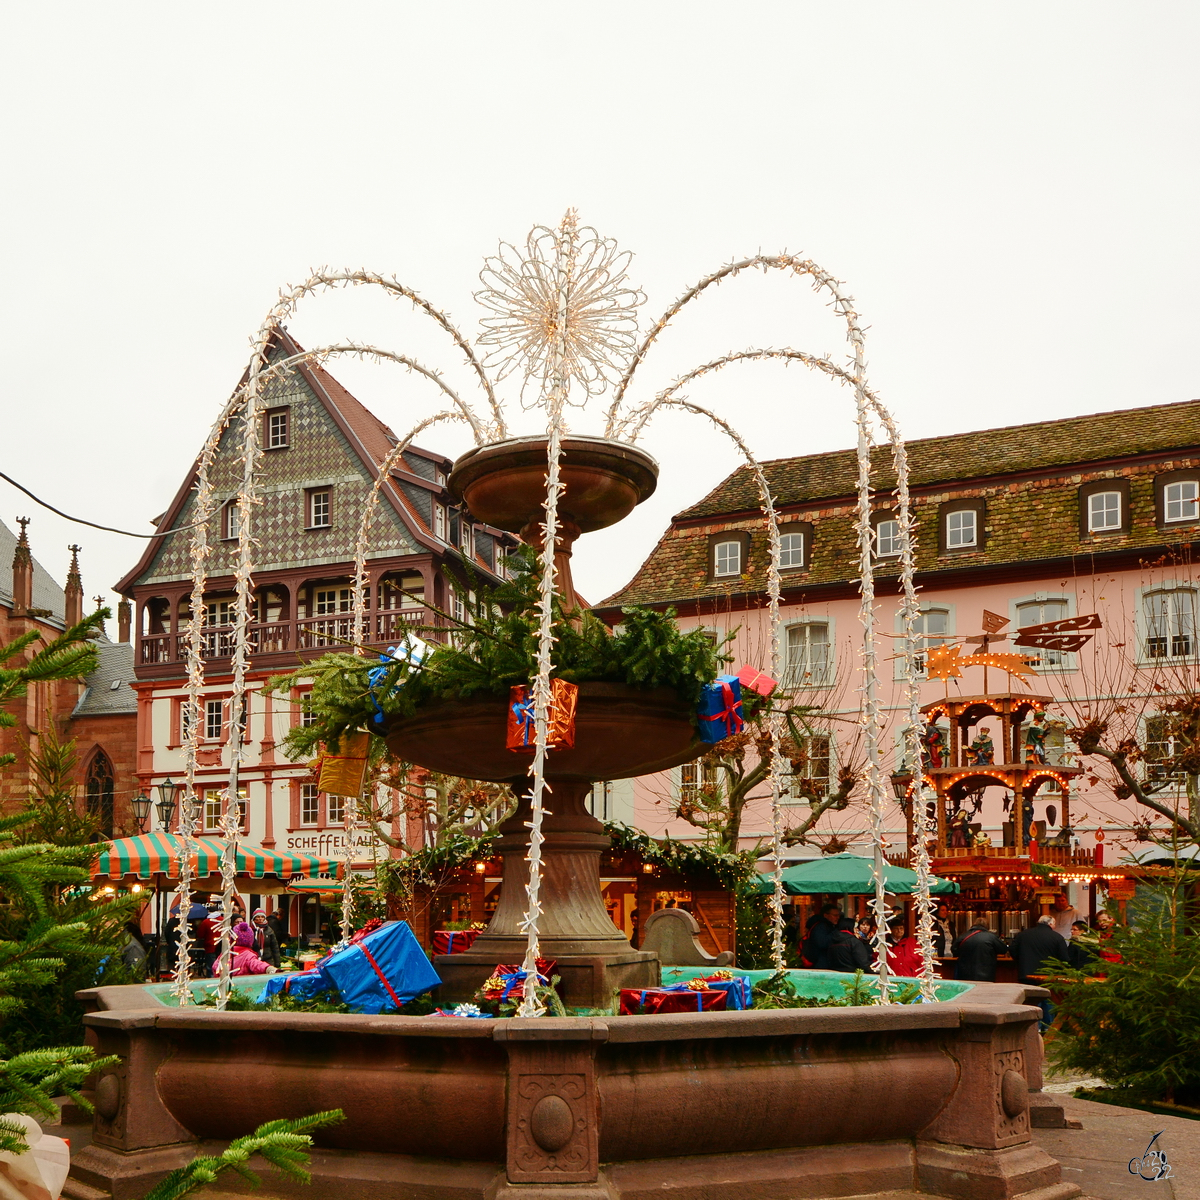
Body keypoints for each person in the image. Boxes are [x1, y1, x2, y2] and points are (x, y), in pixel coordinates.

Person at [1009, 915, 1070, 985]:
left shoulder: (1022, 935)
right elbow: (1064, 957)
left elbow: (1012, 949)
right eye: (1054, 924)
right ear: (1050, 924)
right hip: (1048, 975)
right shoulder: (1057, 937)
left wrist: (1021, 961)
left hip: (1026, 973)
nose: (1055, 926)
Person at [802, 903, 843, 970]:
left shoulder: (828, 926)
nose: (838, 917)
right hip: (820, 962)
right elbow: (822, 943)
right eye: (835, 915)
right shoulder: (820, 927)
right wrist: (836, 932)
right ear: (826, 915)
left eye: (839, 915)